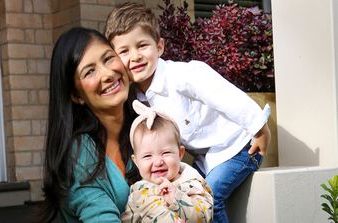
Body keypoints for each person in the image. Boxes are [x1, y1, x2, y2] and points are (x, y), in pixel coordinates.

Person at [105, 3, 271, 223]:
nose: (134, 57)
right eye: (124, 51)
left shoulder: (181, 76)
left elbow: (225, 95)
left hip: (240, 147)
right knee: (181, 193)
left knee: (210, 195)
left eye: (142, 45)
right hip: (207, 158)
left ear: (160, 47)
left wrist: (259, 128)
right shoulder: (136, 99)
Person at [38, 27, 140, 223]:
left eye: (108, 58)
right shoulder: (79, 155)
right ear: (76, 96)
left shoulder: (144, 125)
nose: (108, 74)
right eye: (90, 71)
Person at [121, 100, 213, 223]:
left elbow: (205, 215)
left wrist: (177, 198)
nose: (158, 162)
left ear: (180, 154)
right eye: (148, 156)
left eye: (166, 153)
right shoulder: (138, 193)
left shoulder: (192, 182)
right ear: (136, 161)